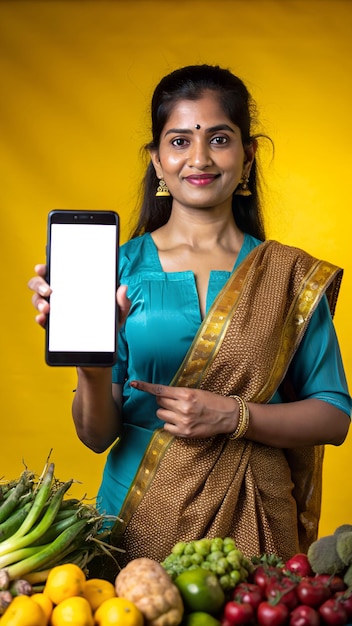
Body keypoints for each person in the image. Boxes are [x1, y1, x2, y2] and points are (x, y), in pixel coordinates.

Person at [28, 64, 351, 567]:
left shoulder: (287, 276)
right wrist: (91, 363)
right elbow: (95, 437)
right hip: (136, 523)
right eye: (179, 142)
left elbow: (334, 416)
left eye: (219, 139)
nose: (199, 158)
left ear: (248, 157)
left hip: (256, 526)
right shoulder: (116, 270)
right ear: (157, 161)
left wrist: (234, 416)